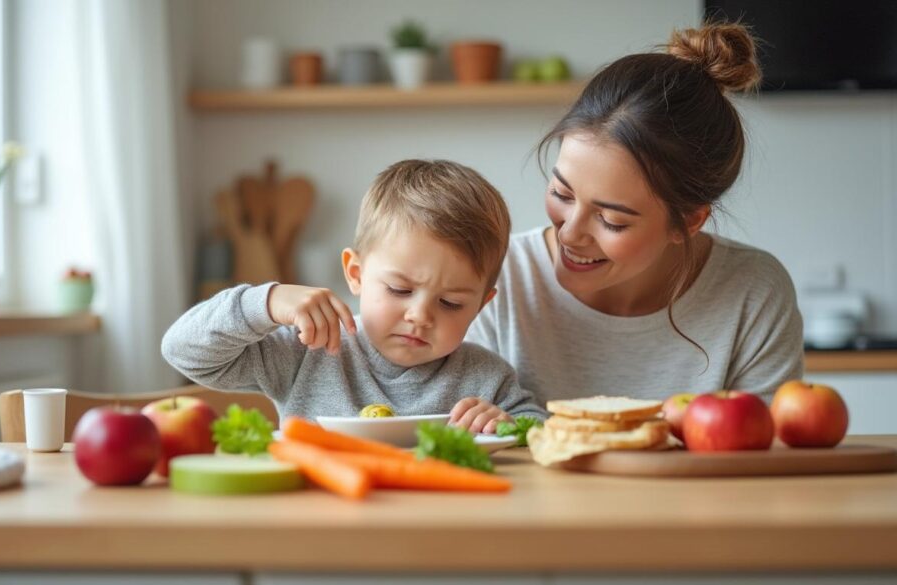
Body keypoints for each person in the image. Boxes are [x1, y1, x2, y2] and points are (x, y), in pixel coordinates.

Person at [465, 23, 804, 403]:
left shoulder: (752, 292)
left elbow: (767, 455)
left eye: (612, 221)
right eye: (562, 193)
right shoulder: (496, 274)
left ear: (689, 221)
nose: (569, 235)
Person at [162, 159, 548, 432]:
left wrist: (509, 426)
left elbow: (541, 430)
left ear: (481, 304)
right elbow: (182, 351)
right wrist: (266, 302)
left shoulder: (485, 376)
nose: (420, 315)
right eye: (400, 289)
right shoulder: (309, 350)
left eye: (451, 303)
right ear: (356, 274)